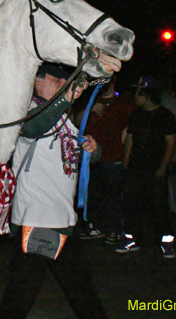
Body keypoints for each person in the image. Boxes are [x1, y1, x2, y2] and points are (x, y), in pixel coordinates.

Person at [0, 63, 107, 319]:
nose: (62, 84)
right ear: (37, 81)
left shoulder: (64, 119)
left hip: (63, 220)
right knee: (23, 293)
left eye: (65, 81)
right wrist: (67, 96)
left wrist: (93, 148)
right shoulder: (28, 111)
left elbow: (85, 158)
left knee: (80, 290)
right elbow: (33, 129)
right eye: (56, 80)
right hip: (37, 221)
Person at [117, 76, 176, 258]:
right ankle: (132, 239)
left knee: (158, 206)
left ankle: (166, 242)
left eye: (139, 92)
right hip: (136, 168)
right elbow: (130, 139)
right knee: (131, 205)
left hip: (155, 169)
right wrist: (126, 164)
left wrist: (163, 168)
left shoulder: (166, 116)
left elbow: (170, 143)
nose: (135, 96)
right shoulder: (136, 115)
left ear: (147, 94)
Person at [73, 77, 136, 243]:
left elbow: (137, 118)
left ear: (113, 82)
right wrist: (90, 109)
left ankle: (114, 230)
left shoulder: (123, 101)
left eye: (106, 82)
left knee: (113, 196)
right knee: (92, 195)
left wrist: (127, 130)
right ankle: (95, 228)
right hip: (91, 158)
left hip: (113, 156)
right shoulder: (91, 100)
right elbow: (77, 121)